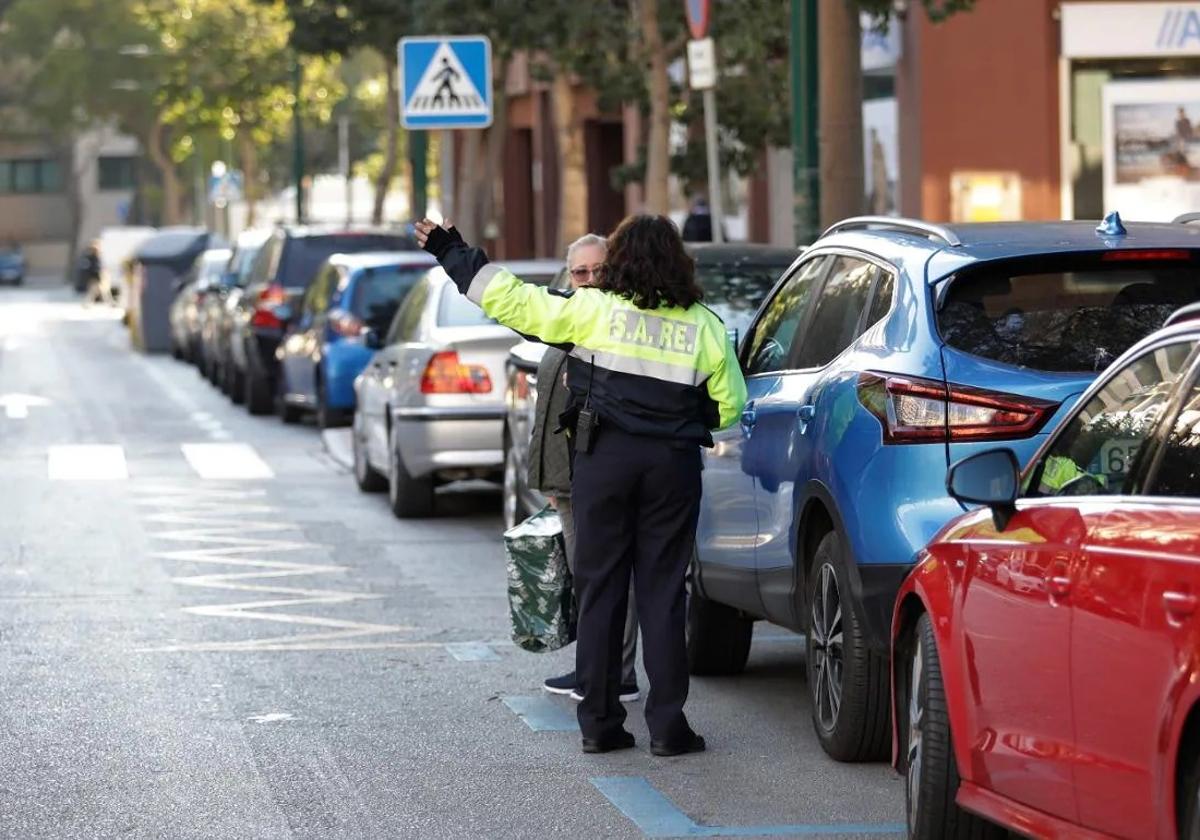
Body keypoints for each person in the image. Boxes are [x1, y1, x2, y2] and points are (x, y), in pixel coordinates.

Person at [415, 214, 746, 756]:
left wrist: (452, 251)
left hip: (603, 459)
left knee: (601, 590)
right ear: (678, 262)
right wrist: (681, 419)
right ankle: (667, 728)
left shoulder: (590, 309)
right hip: (671, 465)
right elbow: (730, 407)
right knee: (663, 595)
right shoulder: (704, 326)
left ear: (617, 262)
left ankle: (599, 724)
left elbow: (510, 299)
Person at [531, 233, 641, 705]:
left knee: (607, 576)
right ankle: (594, 668)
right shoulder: (566, 319)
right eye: (581, 272)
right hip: (570, 480)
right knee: (587, 577)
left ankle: (616, 674)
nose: (591, 280)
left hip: (598, 475)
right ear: (568, 275)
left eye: (600, 271)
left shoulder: (618, 326)